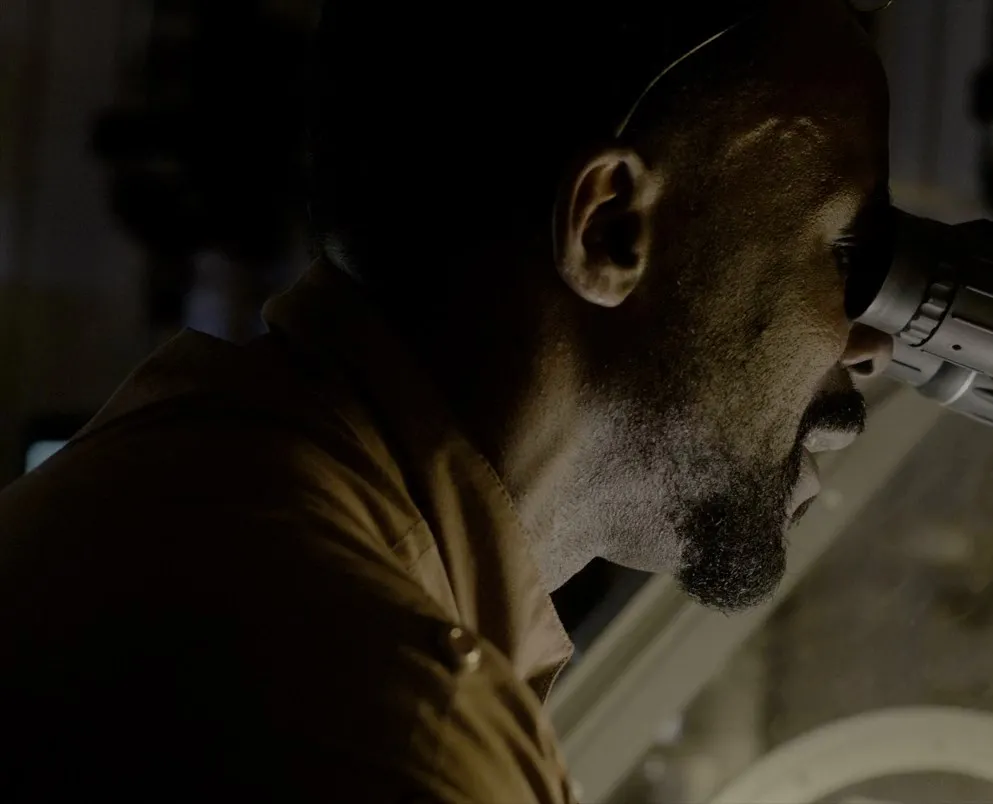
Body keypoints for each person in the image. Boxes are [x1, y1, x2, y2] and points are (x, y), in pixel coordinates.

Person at [0, 0, 893, 800]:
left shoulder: (180, 494)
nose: (874, 341)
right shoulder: (378, 728)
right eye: (846, 251)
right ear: (610, 227)